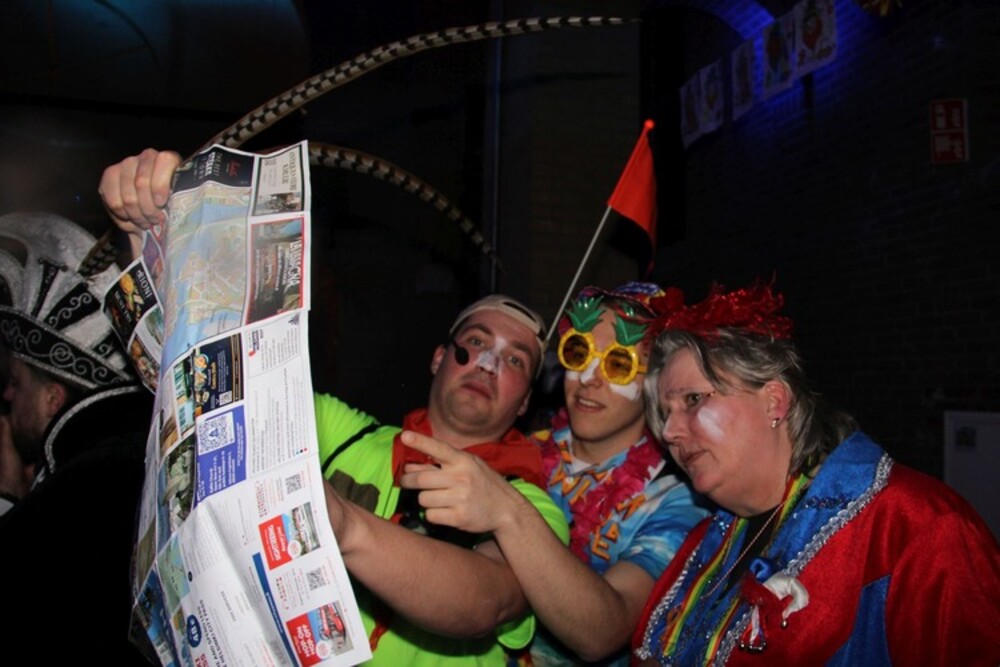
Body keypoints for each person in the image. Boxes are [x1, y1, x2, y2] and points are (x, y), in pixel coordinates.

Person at [99, 148, 570, 666]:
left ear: (526, 402)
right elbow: (218, 380)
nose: (487, 364)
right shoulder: (342, 432)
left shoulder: (526, 506)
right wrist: (161, 231)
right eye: (475, 342)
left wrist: (343, 525)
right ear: (439, 357)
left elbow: (488, 600)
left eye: (515, 360)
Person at [631, 281, 1000, 666]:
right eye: (665, 414)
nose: (669, 432)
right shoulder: (704, 544)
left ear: (774, 401)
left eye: (692, 399)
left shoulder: (915, 526)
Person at [397, 281, 711, 666]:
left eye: (618, 363)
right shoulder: (517, 453)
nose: (588, 378)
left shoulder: (678, 504)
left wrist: (508, 513)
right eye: (580, 353)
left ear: (655, 383)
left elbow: (603, 631)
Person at [0, 211, 155, 664]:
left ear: (53, 398)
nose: (7, 394)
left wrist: (7, 497)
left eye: (17, 382)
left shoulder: (83, 487)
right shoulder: (139, 451)